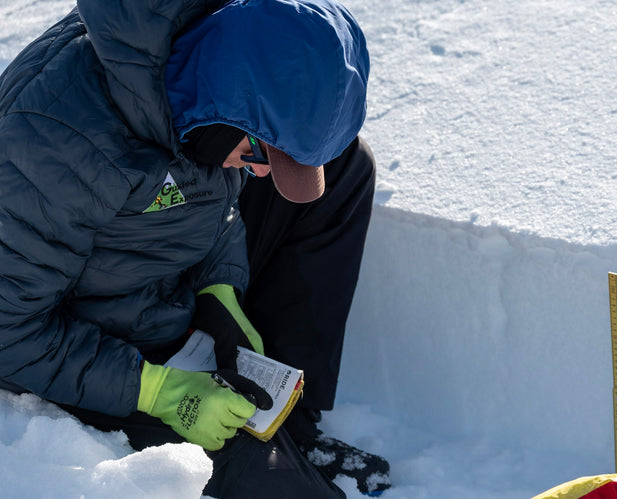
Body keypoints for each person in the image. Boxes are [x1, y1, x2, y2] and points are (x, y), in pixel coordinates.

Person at [0, 0, 389, 497]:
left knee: (342, 169)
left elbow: (207, 196)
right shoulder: (55, 141)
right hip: (74, 340)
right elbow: (8, 328)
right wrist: (157, 392)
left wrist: (220, 286)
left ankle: (290, 422)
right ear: (222, 107)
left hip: (150, 279)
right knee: (269, 480)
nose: (261, 172)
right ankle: (261, 452)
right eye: (257, 154)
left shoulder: (205, 72)